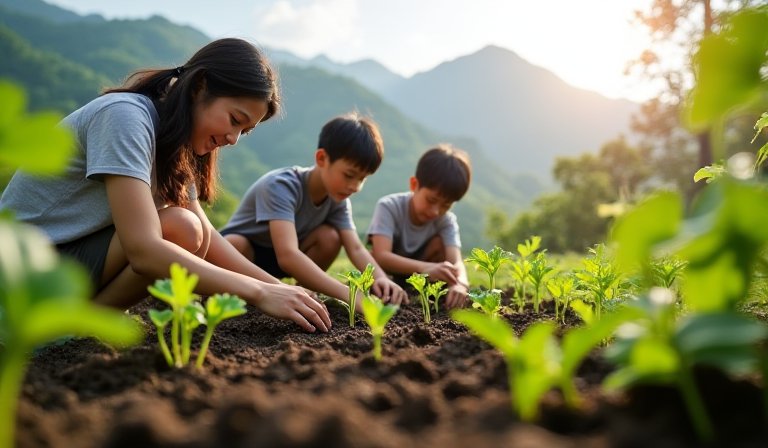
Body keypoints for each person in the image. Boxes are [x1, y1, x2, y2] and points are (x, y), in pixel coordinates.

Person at [0, 38, 331, 333]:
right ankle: (68, 332)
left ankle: (76, 327)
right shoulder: (125, 118)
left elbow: (208, 237)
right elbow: (144, 250)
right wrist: (258, 293)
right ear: (200, 85)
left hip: (63, 262)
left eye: (244, 132)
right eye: (234, 120)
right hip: (21, 273)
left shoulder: (173, 141)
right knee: (180, 230)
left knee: (191, 232)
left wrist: (279, 289)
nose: (232, 139)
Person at [220, 112, 408, 308]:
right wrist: (349, 294)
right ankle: (239, 295)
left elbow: (356, 248)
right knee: (236, 243)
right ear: (321, 158)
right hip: (244, 258)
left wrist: (380, 278)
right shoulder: (281, 186)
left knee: (330, 237)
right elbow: (288, 255)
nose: (354, 186)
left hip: (280, 260)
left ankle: (303, 297)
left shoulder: (338, 200)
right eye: (349, 175)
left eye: (362, 179)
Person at [367, 144, 471, 309]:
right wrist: (426, 268)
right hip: (388, 276)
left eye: (446, 205)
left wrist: (461, 284)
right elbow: (381, 255)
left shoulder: (446, 221)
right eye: (431, 200)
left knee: (440, 244)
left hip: (425, 280)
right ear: (414, 184)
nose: (436, 211)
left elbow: (456, 261)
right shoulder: (389, 206)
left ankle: (427, 294)